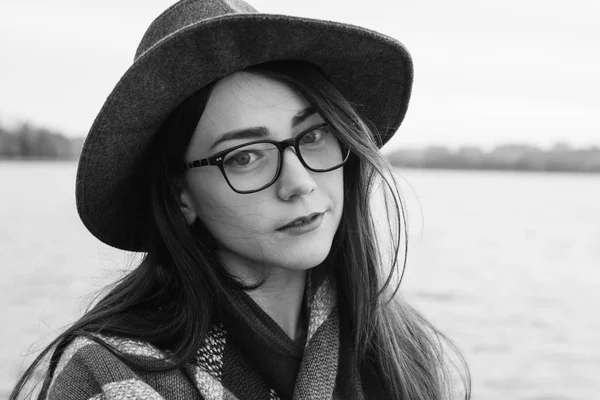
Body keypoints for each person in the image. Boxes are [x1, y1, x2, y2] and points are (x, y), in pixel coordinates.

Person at [10, 0, 471, 399]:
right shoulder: (109, 375)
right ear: (181, 195)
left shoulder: (400, 346)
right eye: (245, 156)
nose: (299, 182)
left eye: (313, 135)